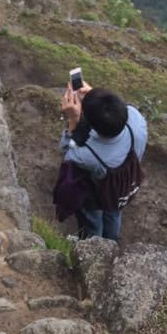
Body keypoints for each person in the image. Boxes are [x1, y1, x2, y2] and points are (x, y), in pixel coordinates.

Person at [60, 83, 147, 241]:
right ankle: (111, 242)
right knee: (113, 211)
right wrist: (97, 97)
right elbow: (120, 111)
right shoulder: (136, 119)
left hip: (97, 193)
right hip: (122, 187)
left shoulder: (89, 155)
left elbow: (68, 153)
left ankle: (92, 244)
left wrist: (73, 120)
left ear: (91, 126)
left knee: (92, 219)